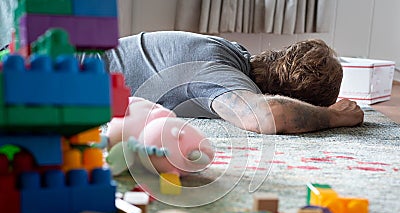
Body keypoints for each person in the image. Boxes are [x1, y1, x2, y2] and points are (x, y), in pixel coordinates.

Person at [101, 31, 363, 135]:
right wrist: (332, 117)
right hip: (67, 82)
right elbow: (266, 115)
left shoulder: (229, 51)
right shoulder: (222, 73)